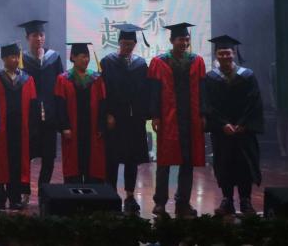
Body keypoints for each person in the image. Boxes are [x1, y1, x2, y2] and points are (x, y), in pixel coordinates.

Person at [148, 22, 207, 218]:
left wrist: (203, 114)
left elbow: (203, 90)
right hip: (168, 117)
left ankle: (183, 202)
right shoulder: (159, 62)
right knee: (164, 161)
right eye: (181, 39)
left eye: (187, 39)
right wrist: (155, 116)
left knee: (187, 161)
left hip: (190, 118)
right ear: (172, 40)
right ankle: (160, 202)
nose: (184, 43)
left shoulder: (197, 61)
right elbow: (154, 92)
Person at [204, 35, 264, 217]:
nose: (225, 56)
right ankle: (227, 200)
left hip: (243, 131)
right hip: (222, 132)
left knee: (244, 164)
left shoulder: (247, 76)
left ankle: (245, 200)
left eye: (227, 53)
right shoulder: (210, 78)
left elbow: (254, 103)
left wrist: (243, 124)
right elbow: (208, 105)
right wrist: (223, 124)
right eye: (221, 53)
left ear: (234, 53)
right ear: (216, 55)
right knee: (224, 164)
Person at [100, 23, 150, 214]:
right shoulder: (108, 62)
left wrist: (144, 114)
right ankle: (111, 194)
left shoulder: (141, 64)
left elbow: (145, 92)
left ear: (135, 44)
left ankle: (130, 196)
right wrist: (108, 114)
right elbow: (103, 91)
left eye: (131, 44)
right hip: (115, 119)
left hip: (134, 120)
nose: (128, 47)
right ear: (119, 42)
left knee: (132, 158)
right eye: (125, 43)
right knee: (112, 158)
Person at [18, 19, 62, 198]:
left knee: (49, 156)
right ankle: (24, 192)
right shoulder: (21, 60)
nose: (39, 38)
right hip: (30, 115)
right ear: (27, 38)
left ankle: (44, 191)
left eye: (41, 35)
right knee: (27, 155)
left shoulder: (54, 58)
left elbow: (60, 85)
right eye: (35, 35)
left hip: (50, 115)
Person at [0, 42, 37, 211]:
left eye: (17, 56)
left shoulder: (27, 79)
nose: (16, 60)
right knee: (0, 163)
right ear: (3, 58)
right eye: (12, 56)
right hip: (1, 128)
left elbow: (33, 105)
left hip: (21, 129)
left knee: (18, 163)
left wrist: (32, 128)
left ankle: (15, 197)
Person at [55, 42, 107, 184]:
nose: (86, 60)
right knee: (73, 166)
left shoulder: (96, 78)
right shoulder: (63, 79)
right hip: (73, 130)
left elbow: (103, 103)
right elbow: (60, 105)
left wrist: (101, 126)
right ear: (73, 57)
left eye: (87, 57)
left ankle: (93, 195)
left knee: (93, 166)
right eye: (83, 56)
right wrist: (65, 126)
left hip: (92, 129)